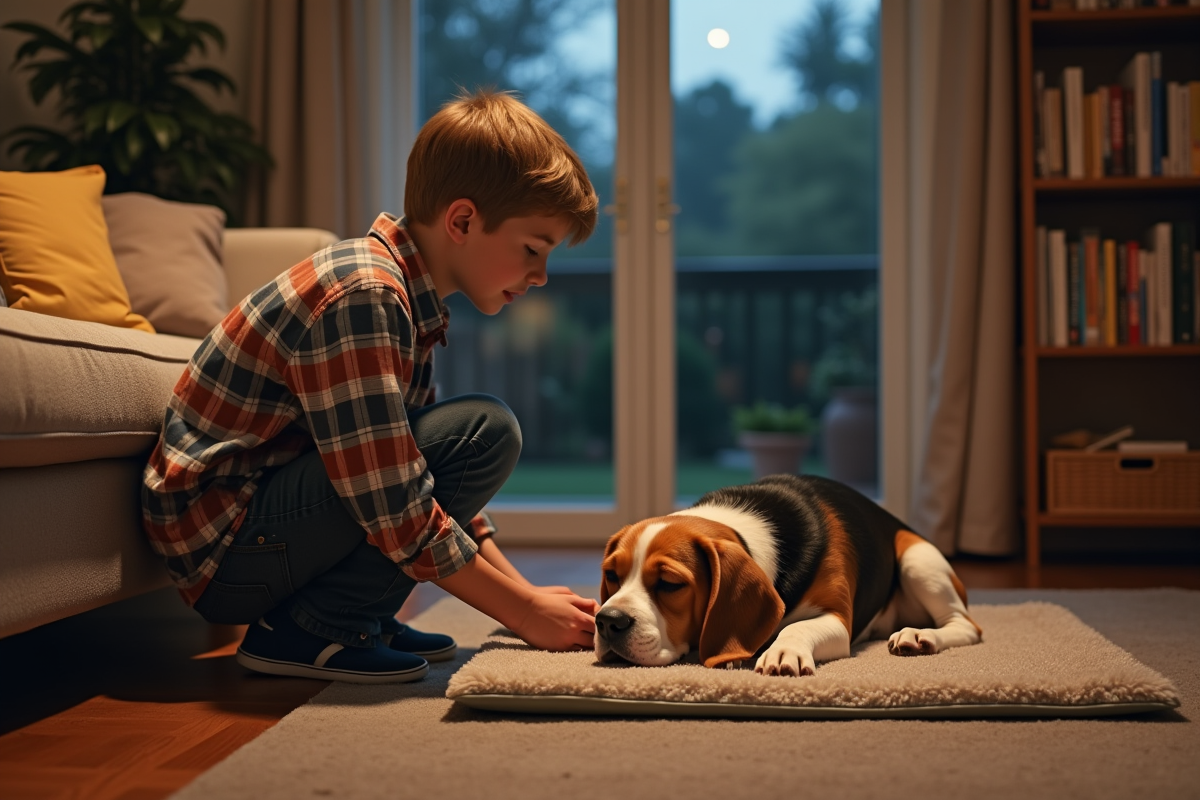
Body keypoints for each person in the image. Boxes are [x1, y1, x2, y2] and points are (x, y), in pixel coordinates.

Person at [141, 89, 600, 684]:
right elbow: (394, 497)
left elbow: (417, 470)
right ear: (462, 221)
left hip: (259, 532)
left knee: (459, 439)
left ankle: (360, 608)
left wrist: (523, 595)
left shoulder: (408, 297)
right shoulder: (365, 293)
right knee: (485, 432)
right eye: (532, 250)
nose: (540, 276)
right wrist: (522, 610)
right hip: (226, 556)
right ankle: (316, 626)